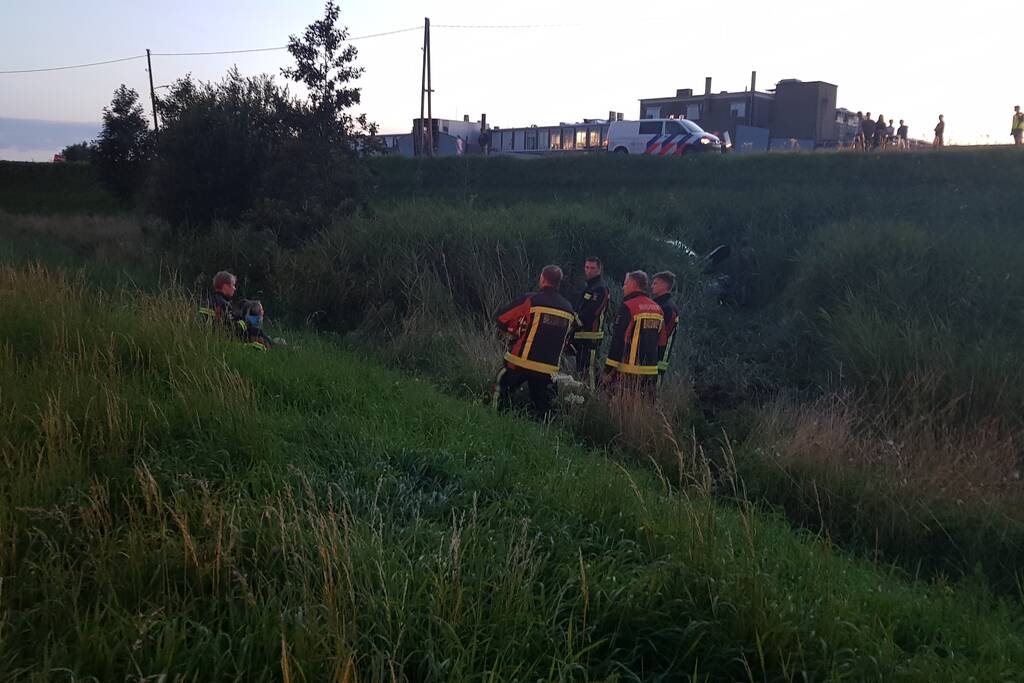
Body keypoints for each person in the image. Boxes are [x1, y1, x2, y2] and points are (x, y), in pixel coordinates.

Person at [492, 265, 576, 417]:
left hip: (521, 361)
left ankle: (492, 418)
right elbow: (569, 339)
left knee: (500, 389)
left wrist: (516, 330)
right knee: (545, 411)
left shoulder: (532, 300)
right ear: (559, 283)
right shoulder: (569, 309)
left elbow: (501, 319)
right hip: (548, 369)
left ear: (542, 279)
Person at [602, 270, 663, 394]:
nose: (623, 287)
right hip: (651, 371)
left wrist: (608, 370)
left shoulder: (628, 306)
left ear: (633, 285)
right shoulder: (658, 309)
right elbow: (662, 341)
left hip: (629, 371)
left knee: (620, 408)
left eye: (625, 284)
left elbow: (618, 340)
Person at [571, 257, 610, 390]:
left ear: (599, 269)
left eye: (592, 268)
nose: (589, 271)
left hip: (591, 338)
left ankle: (592, 399)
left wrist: (573, 324)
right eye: (587, 267)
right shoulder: (589, 287)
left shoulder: (600, 288)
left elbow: (591, 312)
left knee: (590, 372)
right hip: (581, 336)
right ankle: (581, 396)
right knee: (581, 371)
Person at [651, 271, 680, 383]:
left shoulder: (668, 308)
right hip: (651, 355)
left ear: (664, 285)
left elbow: (664, 334)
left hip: (660, 356)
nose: (652, 286)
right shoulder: (658, 305)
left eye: (655, 283)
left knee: (653, 389)